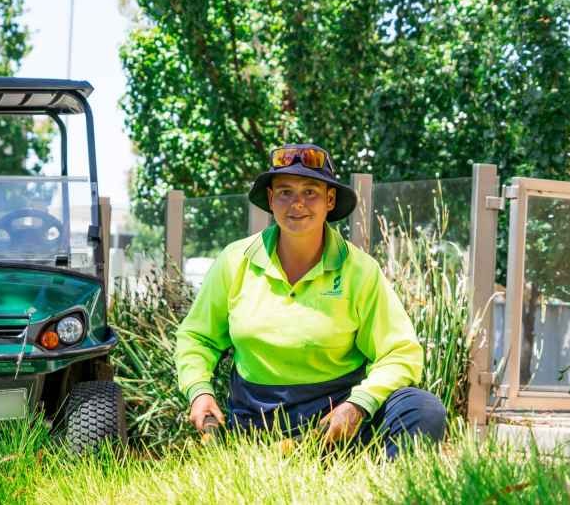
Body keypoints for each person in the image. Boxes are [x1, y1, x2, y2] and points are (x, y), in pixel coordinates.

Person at [173, 144, 446, 457]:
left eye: (310, 192)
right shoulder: (235, 261)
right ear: (271, 200)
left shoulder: (360, 271)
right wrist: (199, 392)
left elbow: (400, 352)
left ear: (330, 200)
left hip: (339, 421)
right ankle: (271, 458)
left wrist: (358, 405)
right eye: (285, 192)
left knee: (422, 409)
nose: (297, 203)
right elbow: (197, 338)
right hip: (257, 423)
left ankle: (385, 478)